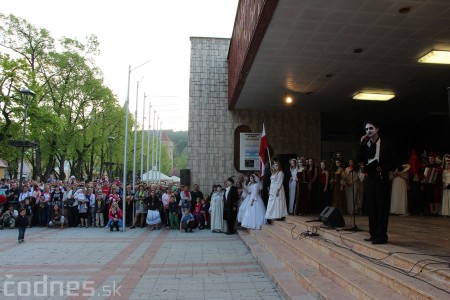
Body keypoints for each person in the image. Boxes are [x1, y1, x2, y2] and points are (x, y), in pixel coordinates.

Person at [356, 120, 399, 244]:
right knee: (371, 207)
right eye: (366, 129)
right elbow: (358, 159)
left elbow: (395, 161)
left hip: (381, 178)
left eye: (371, 128)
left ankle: (381, 236)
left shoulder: (386, 144)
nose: (368, 131)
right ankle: (373, 234)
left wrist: (384, 168)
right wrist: (361, 144)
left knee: (381, 207)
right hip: (370, 178)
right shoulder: (365, 144)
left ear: (377, 129)